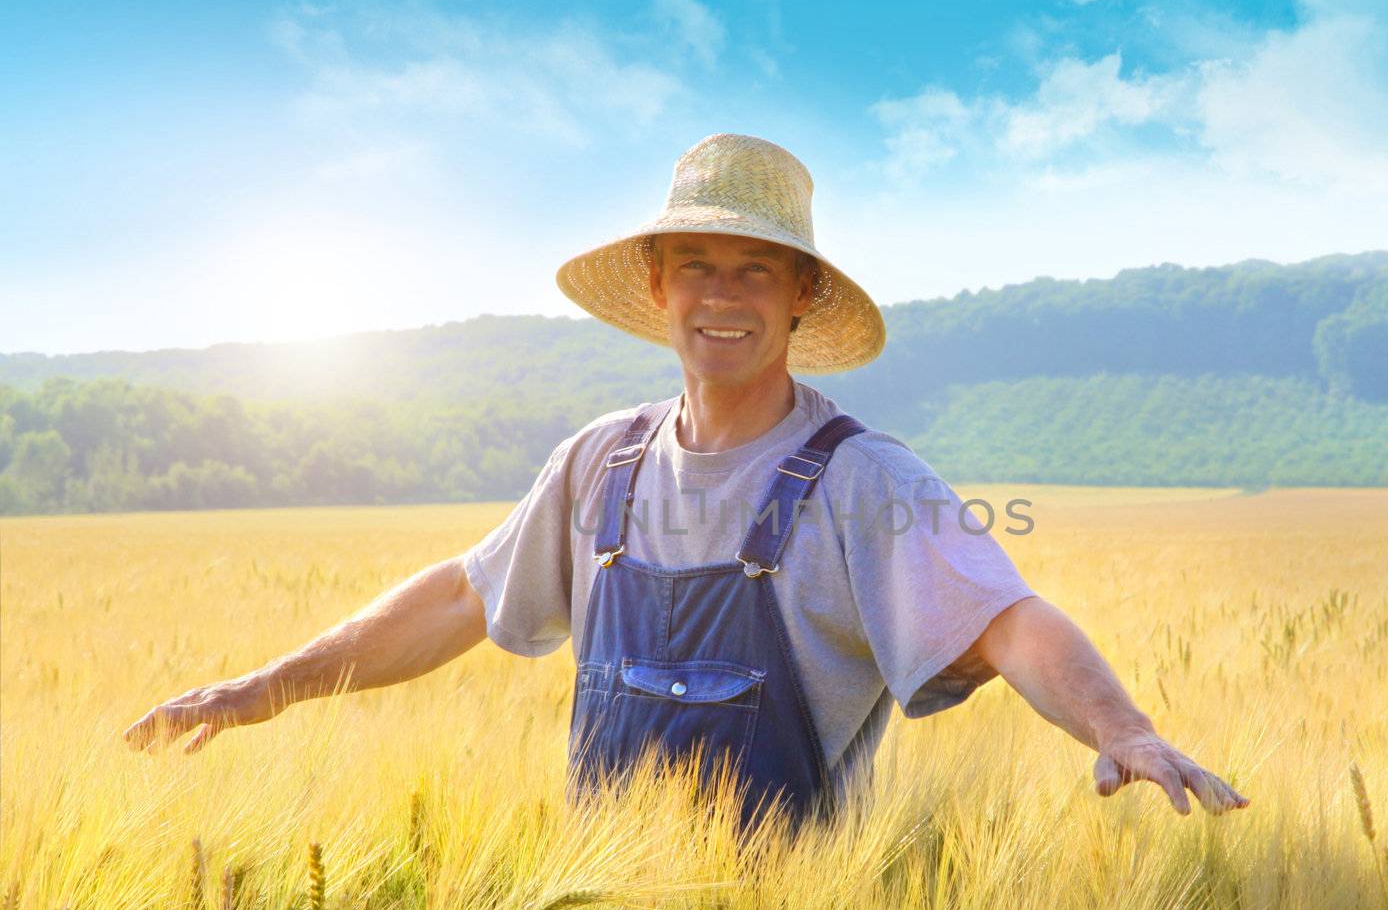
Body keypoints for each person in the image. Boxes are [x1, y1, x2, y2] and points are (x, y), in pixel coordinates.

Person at [124, 133, 1247, 829]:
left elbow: (1008, 622)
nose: (724, 293)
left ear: (800, 293)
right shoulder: (597, 462)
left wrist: (1122, 724)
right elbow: (464, 597)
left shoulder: (862, 479)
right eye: (697, 265)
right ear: (657, 285)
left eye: (755, 268)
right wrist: (267, 687)